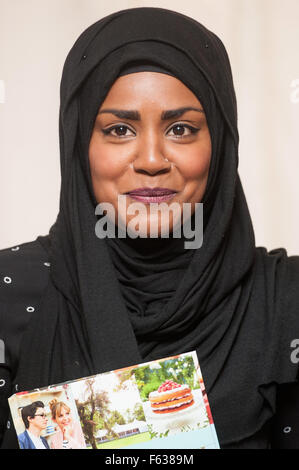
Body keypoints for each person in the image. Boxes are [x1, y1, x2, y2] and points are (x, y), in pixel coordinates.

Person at [0, 7, 299, 449]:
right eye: (120, 129)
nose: (153, 160)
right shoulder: (10, 294)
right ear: (79, 142)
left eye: (181, 128)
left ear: (219, 141)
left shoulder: (285, 302)